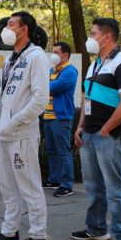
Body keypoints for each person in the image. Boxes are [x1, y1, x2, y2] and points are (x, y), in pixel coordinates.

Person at [0, 11, 50, 240]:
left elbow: (40, 99)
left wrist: (14, 121)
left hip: (22, 133)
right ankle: (10, 232)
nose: (6, 27)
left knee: (29, 186)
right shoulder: (10, 58)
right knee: (7, 185)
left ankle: (38, 236)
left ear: (24, 29)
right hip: (3, 133)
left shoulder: (37, 57)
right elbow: (2, 94)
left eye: (11, 24)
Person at [71, 17, 121, 240]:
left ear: (106, 37)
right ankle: (96, 228)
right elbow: (86, 98)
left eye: (93, 33)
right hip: (89, 134)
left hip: (111, 136)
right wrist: (80, 126)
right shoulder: (95, 64)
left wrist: (106, 129)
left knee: (115, 190)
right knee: (93, 186)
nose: (90, 37)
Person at [42, 41, 78, 197]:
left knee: (63, 152)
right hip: (48, 116)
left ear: (65, 55)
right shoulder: (51, 70)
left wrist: (43, 84)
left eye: (56, 52)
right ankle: (54, 179)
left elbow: (51, 88)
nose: (53, 54)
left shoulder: (70, 71)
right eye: (53, 51)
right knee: (51, 151)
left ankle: (66, 185)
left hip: (61, 118)